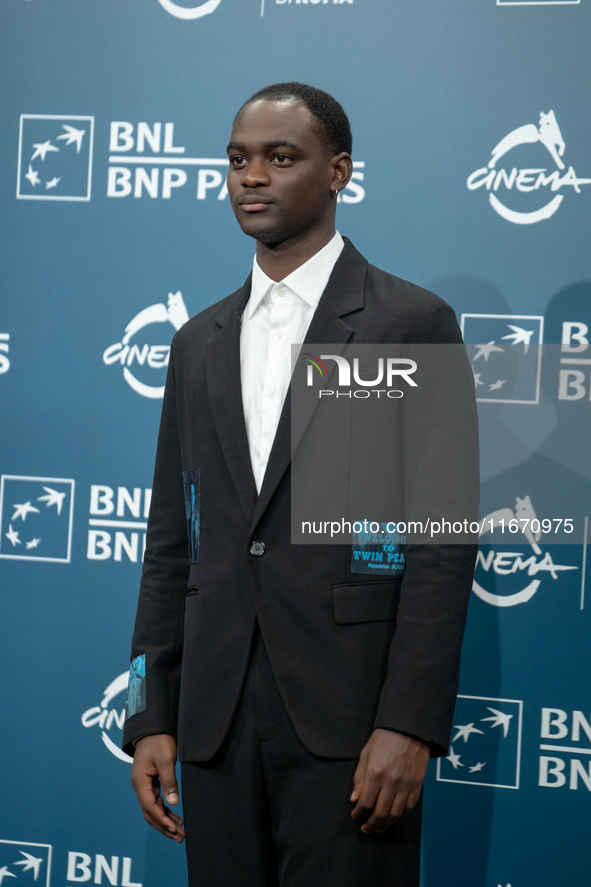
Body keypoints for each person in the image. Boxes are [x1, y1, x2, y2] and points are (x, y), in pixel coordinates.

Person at [122, 82, 478, 887]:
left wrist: (409, 724)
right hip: (211, 724)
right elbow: (171, 541)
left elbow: (442, 539)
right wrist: (148, 708)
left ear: (338, 172)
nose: (252, 177)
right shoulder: (196, 341)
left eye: (280, 158)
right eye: (238, 159)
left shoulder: (408, 322)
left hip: (349, 726)